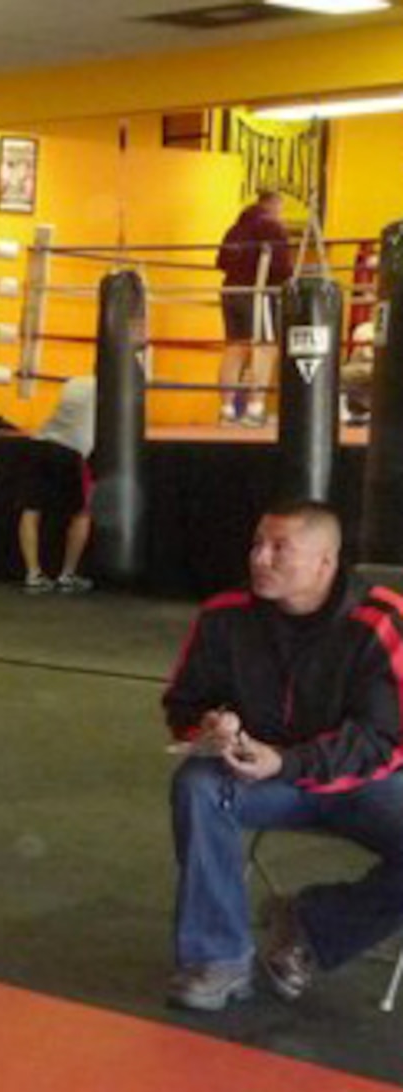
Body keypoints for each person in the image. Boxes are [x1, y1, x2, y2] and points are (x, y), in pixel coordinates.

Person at [163, 501, 403, 1011]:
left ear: (325, 562)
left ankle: (313, 928)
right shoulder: (223, 617)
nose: (260, 559)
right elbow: (184, 701)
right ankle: (218, 959)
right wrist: (212, 723)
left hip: (365, 781)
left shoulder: (381, 622)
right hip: (265, 778)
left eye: (279, 549)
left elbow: (384, 739)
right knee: (198, 785)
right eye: (257, 545)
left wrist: (288, 763)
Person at [216, 189, 296, 427]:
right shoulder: (272, 228)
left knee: (235, 348)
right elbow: (283, 267)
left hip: (232, 291)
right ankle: (255, 408)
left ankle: (227, 410)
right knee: (265, 347)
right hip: (259, 291)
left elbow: (221, 262)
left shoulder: (234, 229)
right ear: (274, 205)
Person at [15, 374, 96, 594]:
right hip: (71, 450)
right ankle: (67, 576)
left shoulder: (74, 382)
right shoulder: (110, 391)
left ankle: (33, 575)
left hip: (40, 443)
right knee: (82, 512)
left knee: (31, 509)